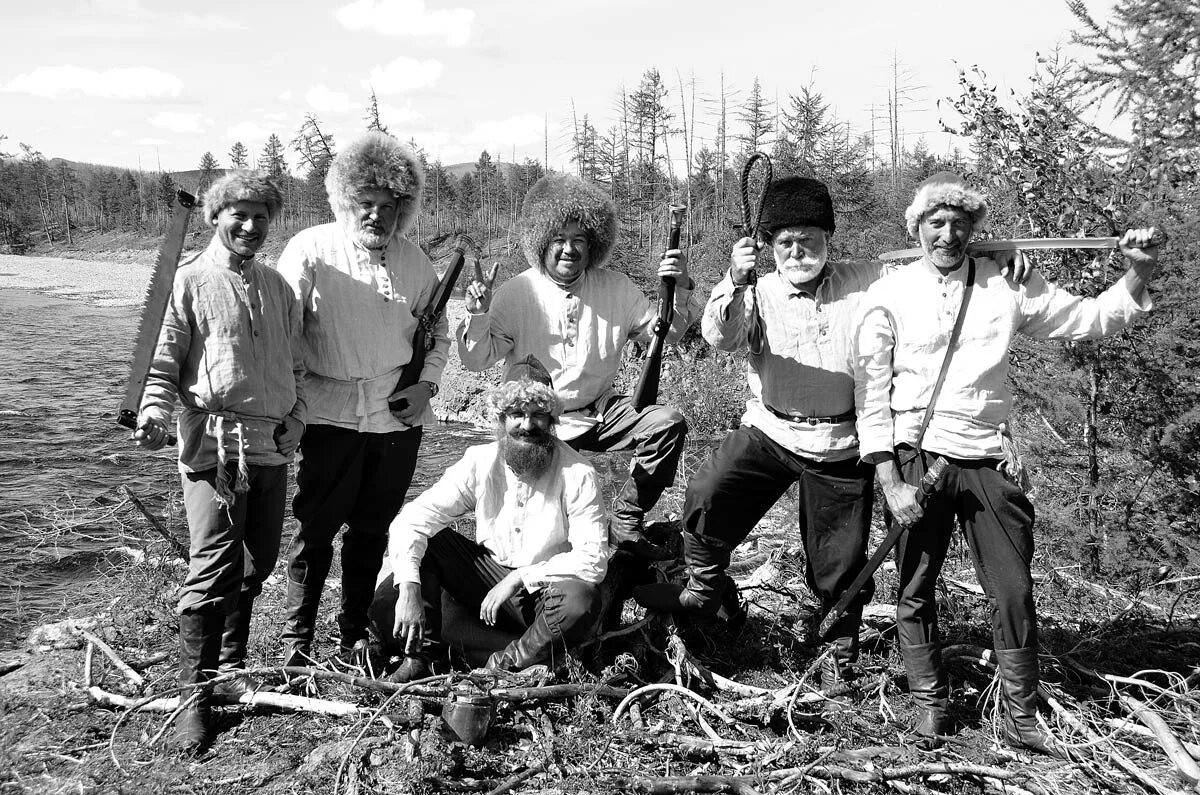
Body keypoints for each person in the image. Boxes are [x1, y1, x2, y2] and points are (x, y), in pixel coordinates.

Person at [855, 171, 1162, 755]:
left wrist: (1138, 270)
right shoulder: (887, 294)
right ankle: (930, 703)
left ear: (976, 230)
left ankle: (1022, 713)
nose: (948, 234)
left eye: (960, 224)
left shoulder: (1007, 285)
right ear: (917, 228)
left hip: (987, 459)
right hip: (916, 455)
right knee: (916, 585)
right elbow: (870, 392)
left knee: (1014, 587)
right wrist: (890, 479)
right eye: (936, 223)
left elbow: (1091, 320)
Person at [634, 176, 882, 686]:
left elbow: (930, 270)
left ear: (828, 239)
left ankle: (839, 647)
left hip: (842, 444)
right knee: (708, 490)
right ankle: (705, 590)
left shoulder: (868, 281)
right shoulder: (757, 291)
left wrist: (994, 259)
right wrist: (734, 278)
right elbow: (720, 336)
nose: (797, 250)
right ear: (769, 247)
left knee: (839, 559)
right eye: (785, 241)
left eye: (808, 238)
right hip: (771, 430)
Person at [132, 171, 302, 752]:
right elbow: (160, 365)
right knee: (212, 567)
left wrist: (296, 420)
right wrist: (153, 414)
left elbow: (296, 369)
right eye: (240, 214)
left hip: (271, 445)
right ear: (214, 215)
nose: (251, 226)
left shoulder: (279, 287)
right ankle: (194, 698)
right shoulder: (188, 282)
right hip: (215, 445)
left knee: (258, 562)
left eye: (261, 217)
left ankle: (230, 668)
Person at [274, 132, 450, 667]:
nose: (376, 216)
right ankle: (296, 642)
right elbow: (283, 333)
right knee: (315, 530)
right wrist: (289, 406)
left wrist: (427, 385)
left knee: (373, 529)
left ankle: (356, 632)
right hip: (326, 415)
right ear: (346, 201)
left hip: (398, 418)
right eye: (366, 204)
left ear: (404, 208)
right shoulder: (310, 249)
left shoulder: (416, 261)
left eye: (389, 207)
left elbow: (437, 332)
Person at [457, 174, 699, 557]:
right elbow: (475, 359)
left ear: (594, 244)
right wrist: (478, 314)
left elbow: (666, 333)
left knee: (666, 423)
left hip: (602, 412)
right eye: (559, 240)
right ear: (542, 241)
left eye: (579, 240)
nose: (569, 250)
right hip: (536, 420)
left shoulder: (617, 288)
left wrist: (680, 287)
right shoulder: (515, 292)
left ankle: (625, 521)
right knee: (542, 525)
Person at [368, 355, 609, 681]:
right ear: (501, 417)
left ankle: (502, 667)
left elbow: (593, 559)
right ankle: (422, 658)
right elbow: (411, 520)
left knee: (580, 600)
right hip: (484, 578)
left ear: (552, 420)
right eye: (517, 414)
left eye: (538, 415)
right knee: (420, 551)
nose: (527, 425)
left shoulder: (579, 473)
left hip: (545, 592)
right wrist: (409, 588)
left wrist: (520, 577)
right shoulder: (479, 461)